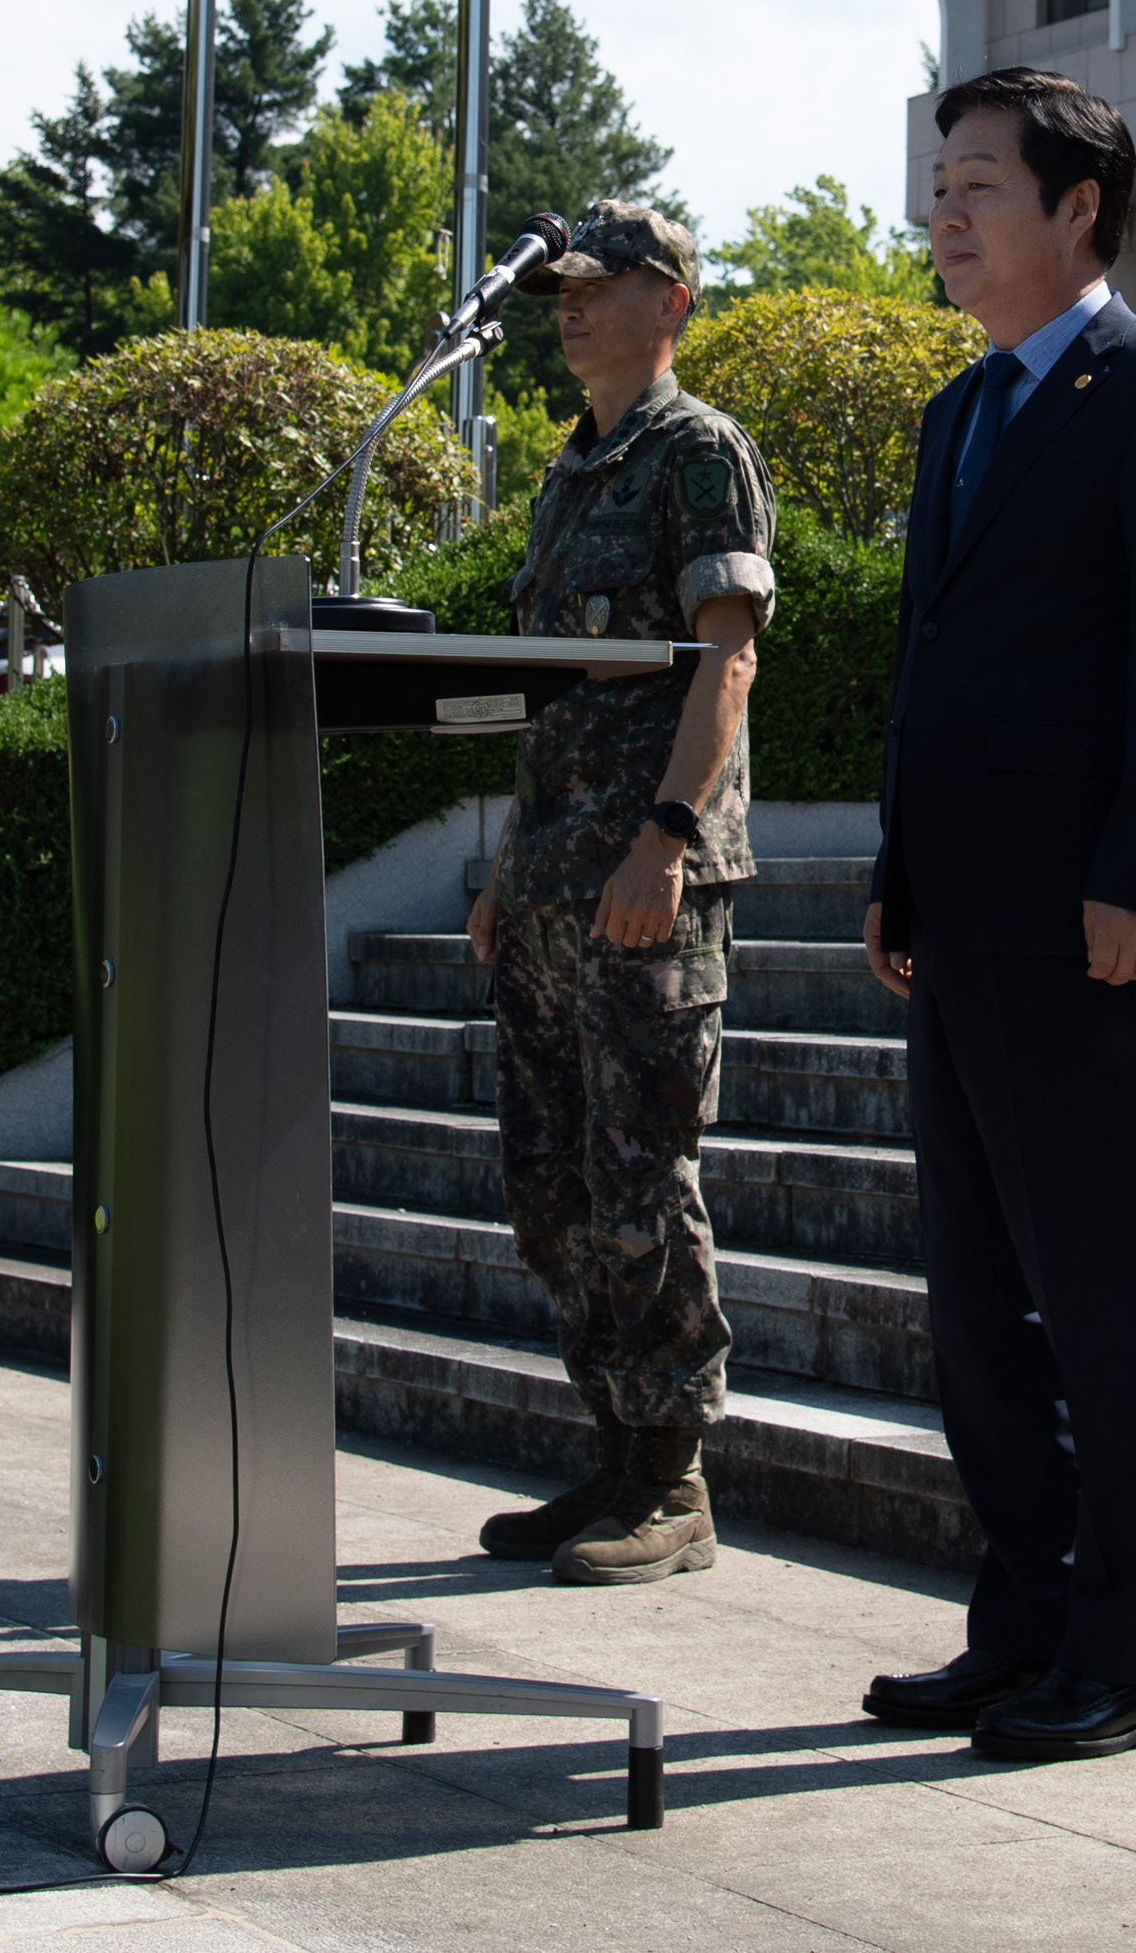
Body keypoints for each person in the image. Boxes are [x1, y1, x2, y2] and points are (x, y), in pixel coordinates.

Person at [857, 67, 1136, 1761]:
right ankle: (1018, 1628)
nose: (944, 215)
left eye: (979, 186)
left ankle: (1130, 1655)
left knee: (1103, 1297)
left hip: (1091, 923)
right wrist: (900, 869)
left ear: (1079, 207)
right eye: (939, 185)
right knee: (978, 1305)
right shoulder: (962, 410)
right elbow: (934, 658)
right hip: (962, 919)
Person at [460, 198, 776, 1586]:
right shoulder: (567, 471)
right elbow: (544, 700)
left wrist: (665, 836)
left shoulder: (695, 453)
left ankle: (673, 1476)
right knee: (550, 1187)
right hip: (550, 883)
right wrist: (507, 863)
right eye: (563, 290)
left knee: (643, 1182)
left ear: (674, 301)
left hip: (647, 882)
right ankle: (610, 1442)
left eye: (601, 285)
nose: (572, 307)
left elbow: (726, 664)